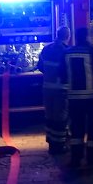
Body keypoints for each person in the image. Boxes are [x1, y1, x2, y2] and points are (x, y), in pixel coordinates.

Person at [62, 27, 93, 169]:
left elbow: (61, 73)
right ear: (88, 37)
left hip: (74, 98)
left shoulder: (66, 53)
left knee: (76, 128)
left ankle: (76, 158)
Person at [37, 25, 70, 154]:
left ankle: (51, 143)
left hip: (47, 87)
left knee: (49, 116)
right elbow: (68, 71)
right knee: (60, 118)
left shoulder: (46, 49)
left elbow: (40, 66)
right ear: (67, 36)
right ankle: (59, 145)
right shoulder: (66, 51)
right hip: (61, 89)